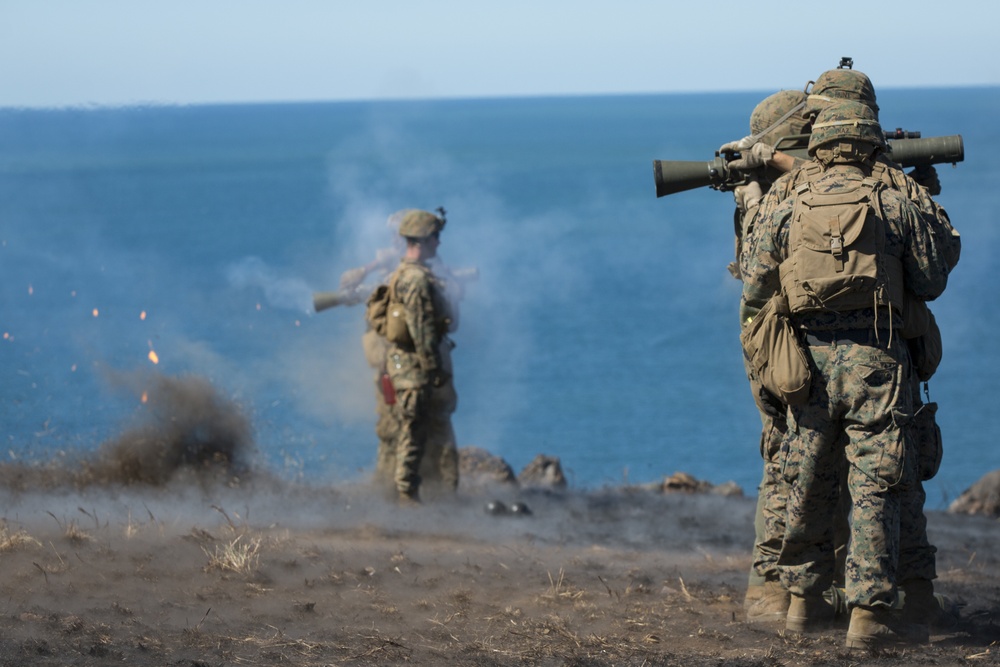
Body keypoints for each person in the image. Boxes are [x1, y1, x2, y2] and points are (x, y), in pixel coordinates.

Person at [727, 64, 961, 628]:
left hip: (803, 358)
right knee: (881, 481)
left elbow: (756, 281)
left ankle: (798, 604)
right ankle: (870, 615)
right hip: (880, 359)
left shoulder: (787, 191)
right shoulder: (895, 190)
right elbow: (932, 278)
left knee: (804, 475)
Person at [342, 210, 463, 498]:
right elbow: (418, 327)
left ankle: (435, 494)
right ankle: (396, 496)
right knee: (399, 432)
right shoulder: (406, 276)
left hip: (408, 366)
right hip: (403, 367)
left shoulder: (420, 271)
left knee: (428, 430)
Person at [374, 209, 458, 504]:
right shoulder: (417, 279)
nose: (439, 243)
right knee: (411, 434)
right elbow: (421, 329)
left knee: (413, 432)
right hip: (413, 370)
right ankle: (407, 498)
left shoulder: (403, 273)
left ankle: (408, 495)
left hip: (406, 366)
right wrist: (434, 369)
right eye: (436, 237)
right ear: (424, 240)